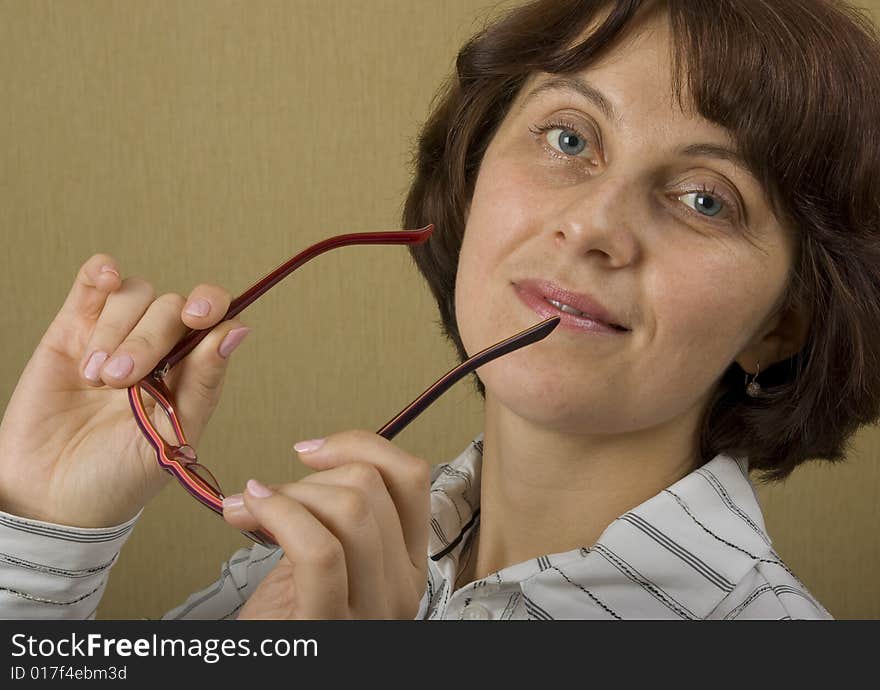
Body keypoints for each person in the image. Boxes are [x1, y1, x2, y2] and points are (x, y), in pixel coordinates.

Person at [2, 0, 879, 620]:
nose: (594, 226)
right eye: (568, 138)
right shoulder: (299, 570)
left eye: (703, 199)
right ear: (473, 173)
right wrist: (46, 534)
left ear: (783, 324)